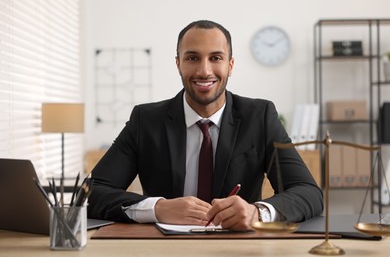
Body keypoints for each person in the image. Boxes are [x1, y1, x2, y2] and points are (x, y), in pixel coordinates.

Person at [88, 20, 323, 231]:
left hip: (239, 247)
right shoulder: (146, 120)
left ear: (230, 65)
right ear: (178, 64)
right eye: (192, 58)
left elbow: (309, 193)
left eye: (216, 58)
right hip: (163, 248)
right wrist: (157, 208)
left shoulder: (260, 116)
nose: (204, 71)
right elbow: (92, 193)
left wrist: (257, 212)